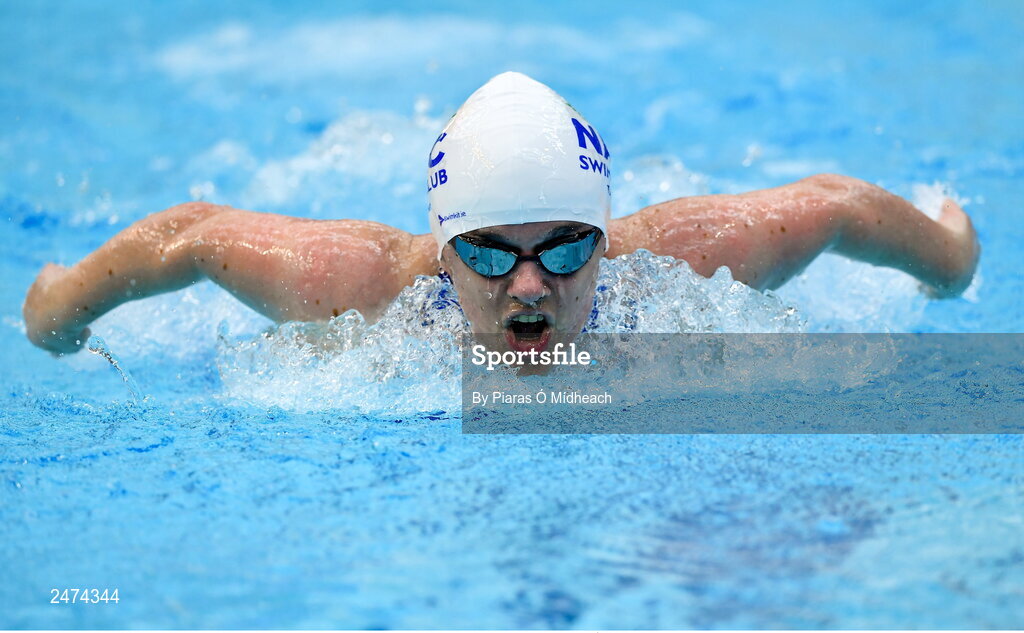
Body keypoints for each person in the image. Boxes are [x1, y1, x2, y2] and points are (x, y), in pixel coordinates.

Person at [23, 72, 979, 356]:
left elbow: (835, 207)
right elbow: (193, 233)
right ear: (442, 253)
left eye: (567, 247)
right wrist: (57, 310)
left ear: (606, 239)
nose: (530, 285)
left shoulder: (683, 265)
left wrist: (950, 259)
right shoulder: (354, 288)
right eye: (488, 254)